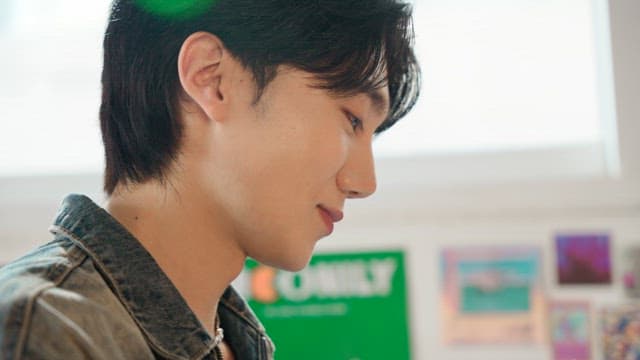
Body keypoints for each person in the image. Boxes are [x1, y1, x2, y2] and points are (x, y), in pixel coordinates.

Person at [0, 0, 420, 358]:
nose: (364, 182)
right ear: (211, 78)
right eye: (352, 119)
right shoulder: (44, 330)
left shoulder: (234, 341)